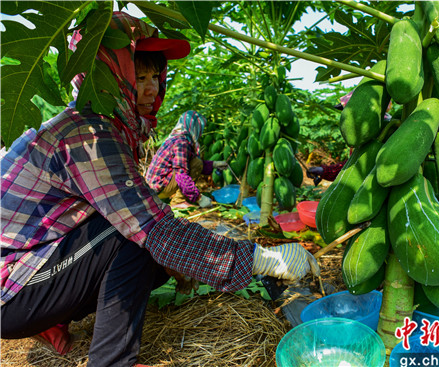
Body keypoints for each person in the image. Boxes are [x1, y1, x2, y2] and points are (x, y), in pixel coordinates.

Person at [1, 12, 319, 367]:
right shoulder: (89, 134)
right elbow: (153, 227)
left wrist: (180, 263)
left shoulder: (108, 126)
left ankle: (51, 318)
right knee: (136, 237)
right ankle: (112, 361)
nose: (152, 88)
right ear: (111, 71)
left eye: (156, 76)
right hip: (9, 289)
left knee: (152, 250)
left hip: (30, 265)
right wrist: (262, 259)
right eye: (140, 75)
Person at [146, 110, 228, 209]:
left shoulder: (176, 138)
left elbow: (188, 162)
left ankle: (171, 198)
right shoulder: (181, 142)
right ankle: (178, 202)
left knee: (196, 163)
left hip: (153, 188)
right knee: (197, 163)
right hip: (158, 189)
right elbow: (181, 174)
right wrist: (199, 198)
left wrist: (214, 164)